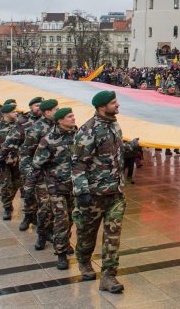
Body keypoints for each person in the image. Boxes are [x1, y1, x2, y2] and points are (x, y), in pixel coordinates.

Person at [73, 90, 126, 293]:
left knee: (113, 236)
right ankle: (84, 260)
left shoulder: (115, 125)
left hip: (116, 194)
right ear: (102, 106)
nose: (117, 105)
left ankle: (108, 276)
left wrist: (129, 148)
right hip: (94, 195)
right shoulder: (88, 131)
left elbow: (114, 153)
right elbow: (78, 164)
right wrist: (82, 191)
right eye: (114, 102)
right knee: (87, 234)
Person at [31, 107, 78, 270]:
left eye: (73, 116)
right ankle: (61, 252)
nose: (73, 119)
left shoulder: (77, 136)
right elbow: (36, 163)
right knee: (60, 219)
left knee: (71, 217)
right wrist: (30, 185)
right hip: (54, 187)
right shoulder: (48, 140)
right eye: (69, 117)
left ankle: (63, 241)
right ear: (60, 120)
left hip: (73, 186)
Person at [0, 96, 43, 231]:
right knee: (27, 191)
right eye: (37, 105)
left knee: (41, 194)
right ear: (30, 107)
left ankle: (40, 222)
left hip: (43, 162)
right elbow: (11, 141)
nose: (39, 108)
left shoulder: (49, 121)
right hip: (25, 162)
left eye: (41, 105)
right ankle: (27, 216)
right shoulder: (23, 121)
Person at [22, 98, 59, 248]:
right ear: (48, 112)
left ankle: (52, 232)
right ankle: (42, 234)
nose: (58, 111)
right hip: (42, 175)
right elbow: (26, 152)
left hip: (58, 174)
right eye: (56, 109)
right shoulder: (36, 128)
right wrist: (28, 175)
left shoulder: (60, 125)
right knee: (44, 207)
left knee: (57, 208)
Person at [0, 102, 22, 221]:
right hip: (4, 161)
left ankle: (8, 200)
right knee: (6, 184)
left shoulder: (20, 126)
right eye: (13, 112)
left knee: (17, 183)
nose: (15, 113)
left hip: (18, 160)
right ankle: (7, 207)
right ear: (6, 114)